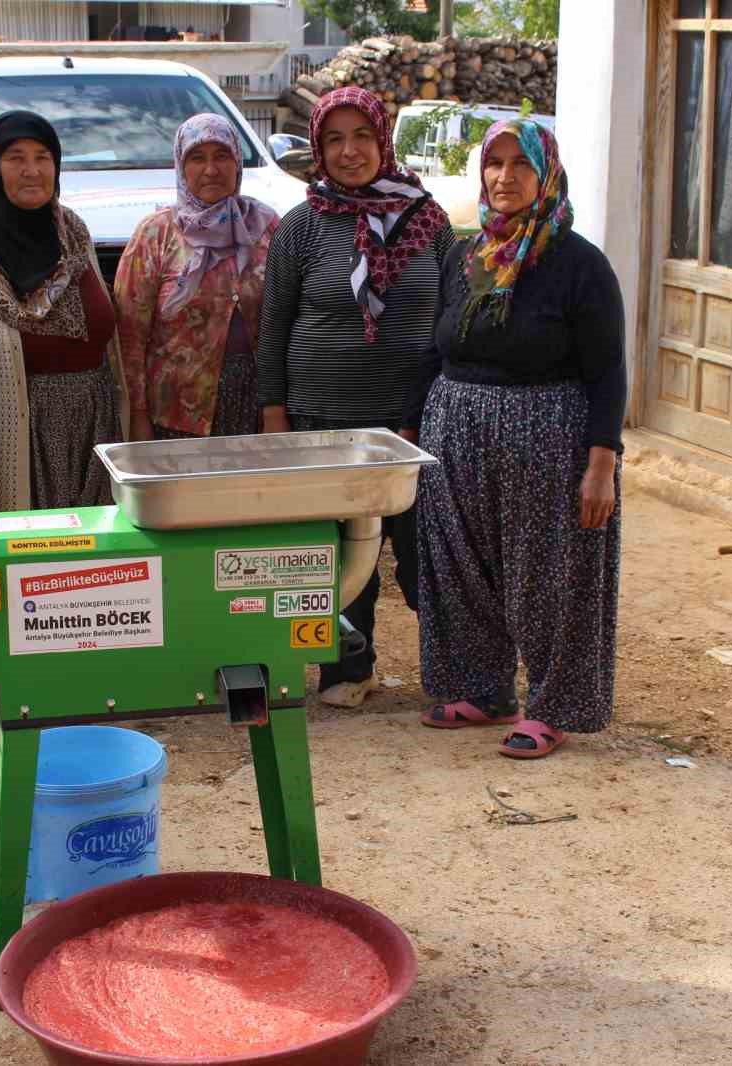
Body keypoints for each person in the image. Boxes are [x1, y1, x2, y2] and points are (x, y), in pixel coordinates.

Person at [408, 118, 625, 759]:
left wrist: (602, 463)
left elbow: (609, 370)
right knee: (462, 570)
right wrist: (408, 430)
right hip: (455, 434)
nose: (505, 177)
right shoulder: (466, 254)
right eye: (494, 164)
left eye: (520, 165)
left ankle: (553, 705)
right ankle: (482, 688)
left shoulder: (580, 264)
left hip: (548, 438)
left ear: (546, 174)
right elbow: (436, 345)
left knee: (547, 576)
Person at [256, 86, 454, 709]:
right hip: (324, 420)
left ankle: (456, 672)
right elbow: (273, 326)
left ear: (383, 139)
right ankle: (348, 669)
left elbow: (453, 317)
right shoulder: (301, 226)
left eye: (362, 136)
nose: (349, 152)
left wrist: (436, 409)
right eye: (334, 139)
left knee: (428, 554)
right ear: (317, 147)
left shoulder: (430, 221)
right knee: (341, 558)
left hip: (412, 426)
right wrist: (274, 414)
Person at [0, 110, 127, 514]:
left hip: (93, 432)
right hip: (17, 440)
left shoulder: (71, 231)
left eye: (42, 157)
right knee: (31, 570)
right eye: (15, 158)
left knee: (97, 567)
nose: (32, 171)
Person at [114, 114, 279, 441]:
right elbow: (129, 337)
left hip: (255, 410)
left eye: (222, 156)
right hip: (176, 416)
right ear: (180, 164)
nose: (211, 169)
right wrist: (137, 414)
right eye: (197, 157)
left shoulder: (266, 227)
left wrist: (277, 409)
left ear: (237, 162)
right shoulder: (156, 235)